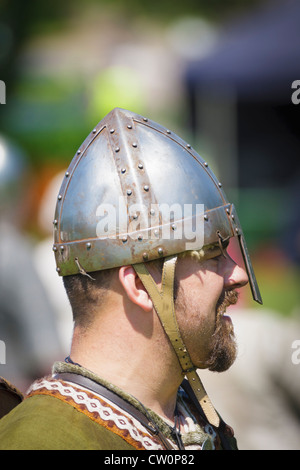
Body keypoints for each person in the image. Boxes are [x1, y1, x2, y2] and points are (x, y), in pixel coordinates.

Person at [0, 108, 262, 450]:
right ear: (139, 286)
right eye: (213, 255)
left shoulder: (188, 419)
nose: (238, 275)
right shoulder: (40, 442)